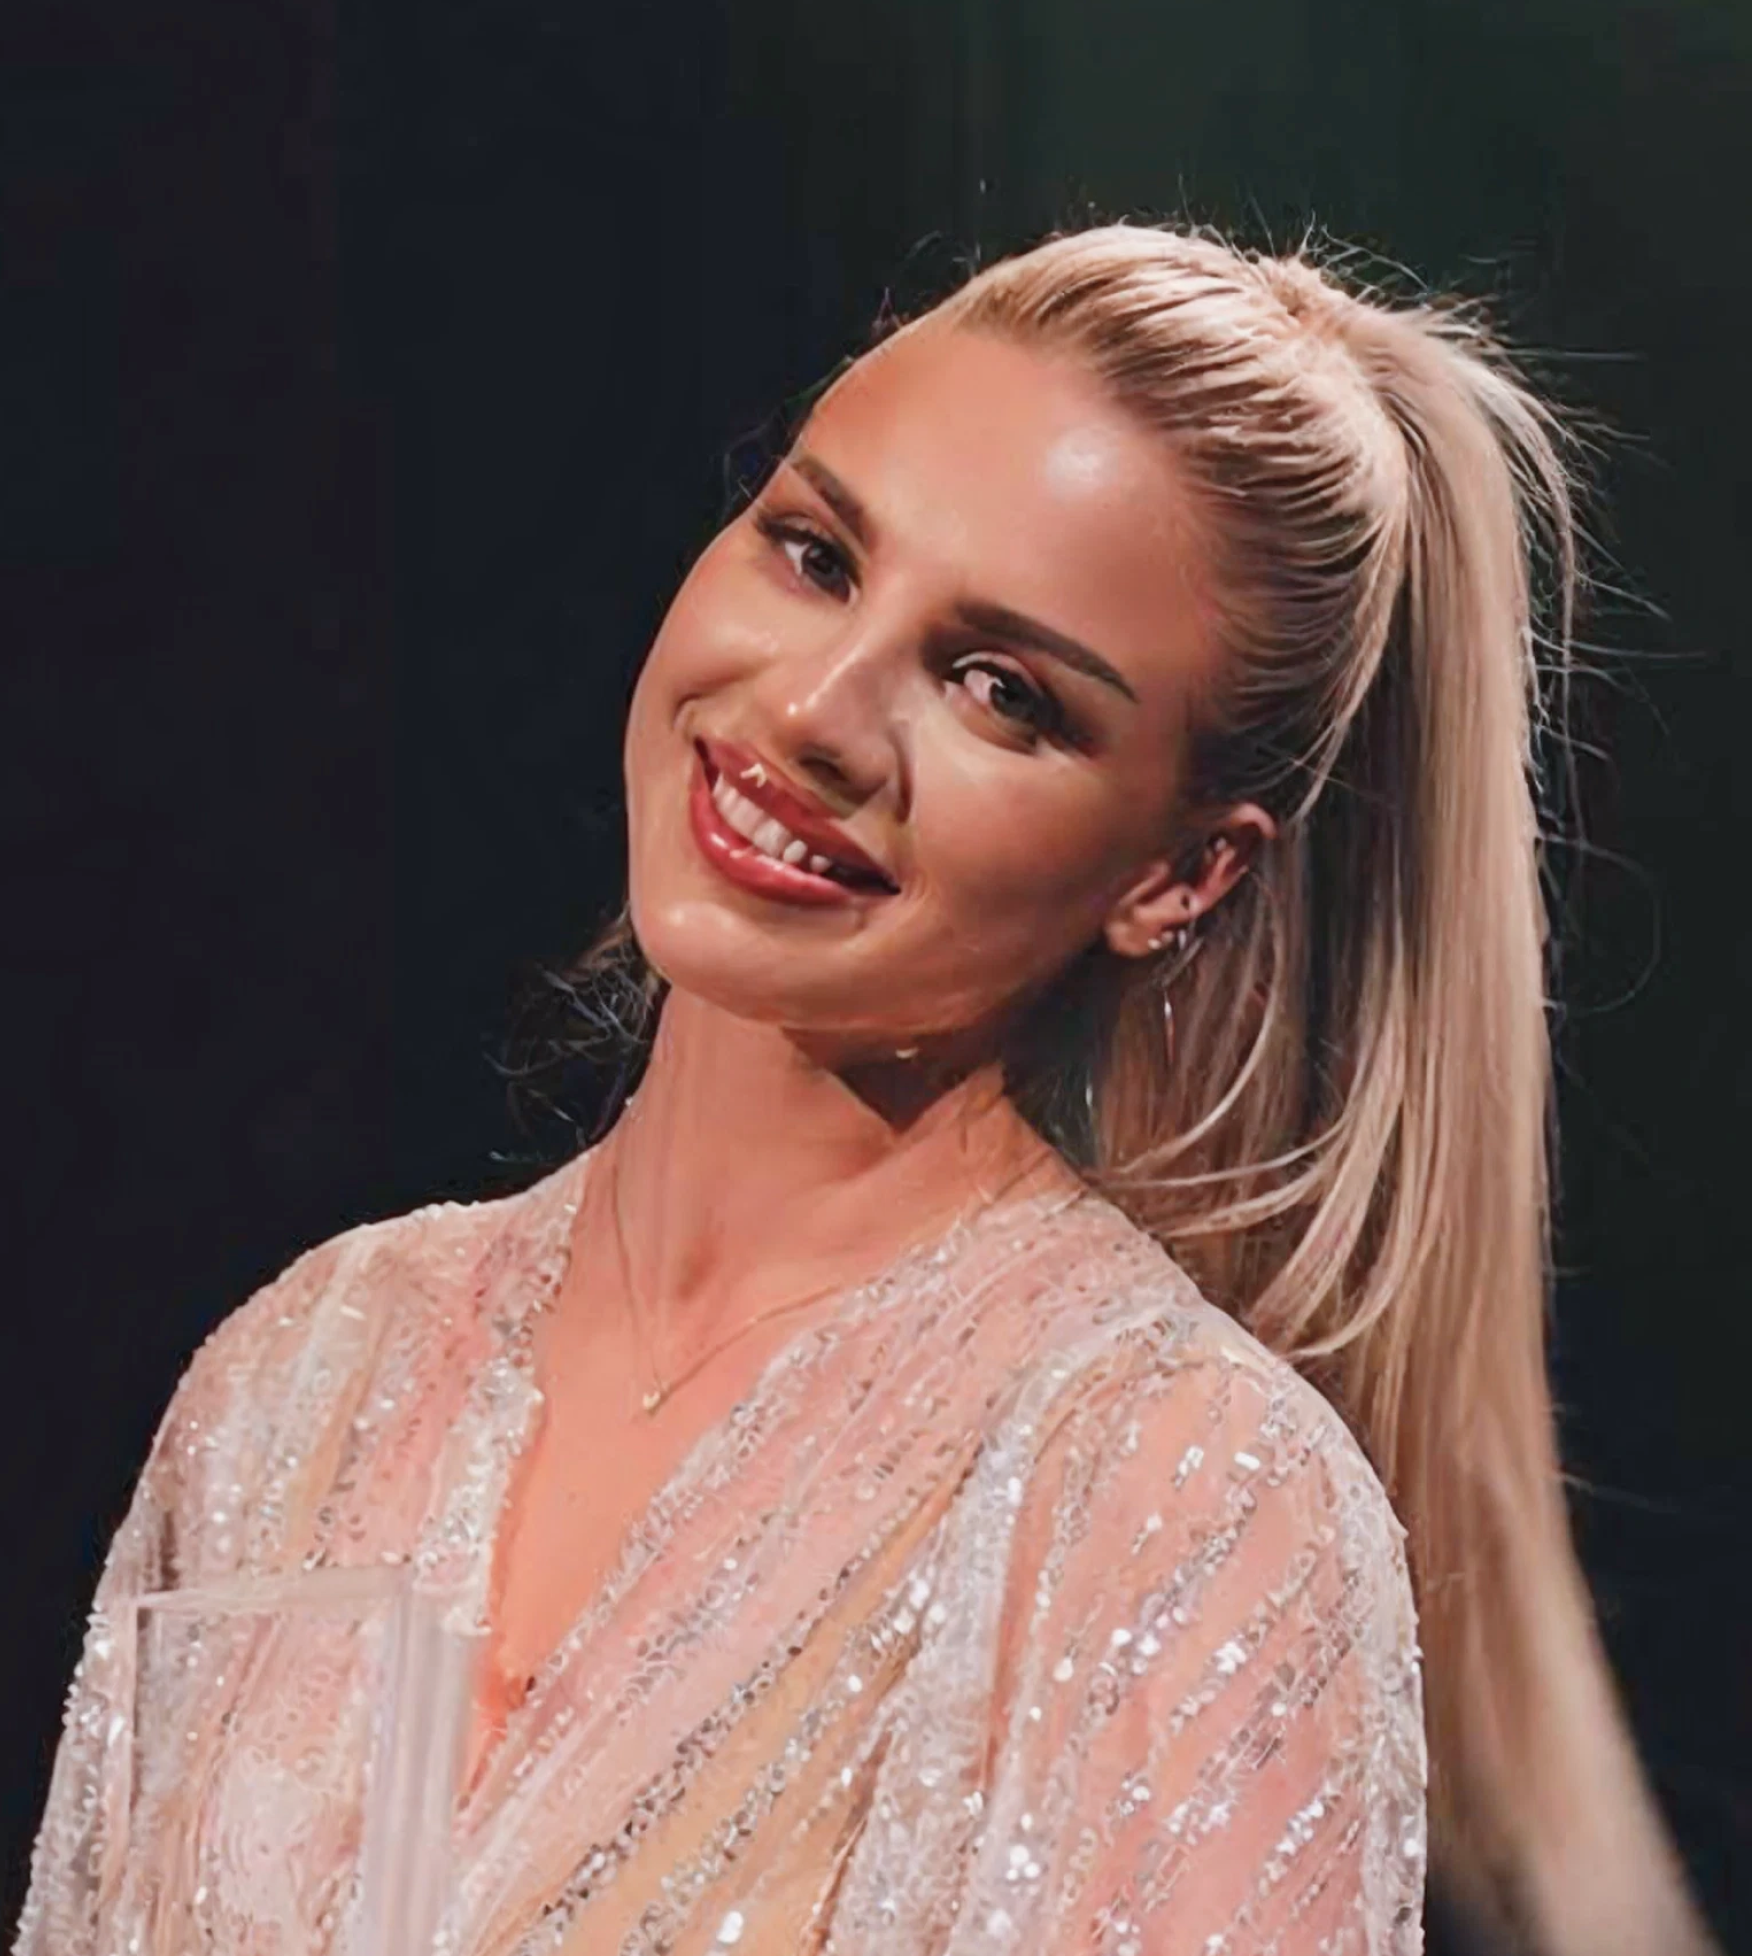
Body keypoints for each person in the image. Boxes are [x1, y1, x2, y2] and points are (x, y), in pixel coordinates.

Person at [14, 223, 1715, 1956]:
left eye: (1002, 692)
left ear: (1181, 875)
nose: (817, 712)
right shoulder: (309, 1375)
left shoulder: (1181, 1505)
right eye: (816, 554)